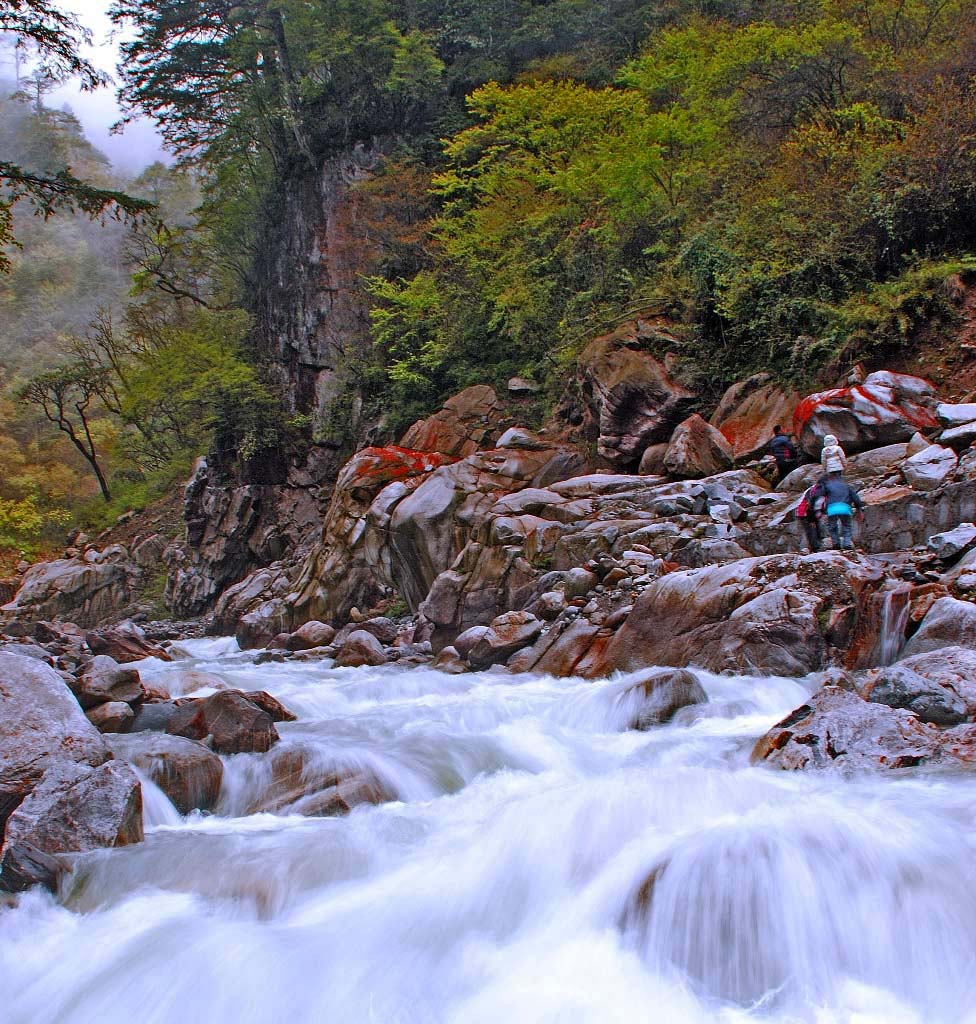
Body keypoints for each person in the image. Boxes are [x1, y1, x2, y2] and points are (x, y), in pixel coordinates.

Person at [820, 473, 864, 550]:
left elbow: (822, 498)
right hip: (845, 507)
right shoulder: (846, 486)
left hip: (832, 508)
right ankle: (847, 544)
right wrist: (859, 509)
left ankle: (836, 543)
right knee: (846, 526)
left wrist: (822, 510)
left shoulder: (827, 486)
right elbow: (855, 497)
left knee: (832, 527)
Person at [797, 478, 825, 552]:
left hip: (807, 511)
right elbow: (811, 504)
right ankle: (816, 547)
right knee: (811, 529)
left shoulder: (814, 489)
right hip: (805, 512)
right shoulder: (817, 491)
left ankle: (817, 545)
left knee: (816, 528)